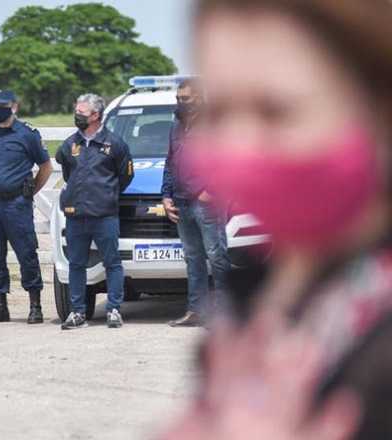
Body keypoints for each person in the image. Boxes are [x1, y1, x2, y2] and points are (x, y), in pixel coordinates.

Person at [160, 0, 392, 438]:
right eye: (220, 111)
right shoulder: (251, 294)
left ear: (379, 108)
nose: (239, 145)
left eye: (276, 111)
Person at [55, 93, 134, 330]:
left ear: (96, 115)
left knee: (112, 262)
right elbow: (68, 173)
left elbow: (125, 176)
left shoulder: (115, 144)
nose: (77, 116)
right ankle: (77, 313)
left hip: (104, 215)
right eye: (76, 111)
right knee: (76, 264)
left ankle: (113, 310)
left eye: (82, 112)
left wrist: (106, 194)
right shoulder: (69, 145)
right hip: (76, 215)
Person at [0, 90, 53, 324]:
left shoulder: (26, 134)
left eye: (4, 105)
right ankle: (1, 306)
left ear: (15, 106)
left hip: (16, 204)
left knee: (26, 254)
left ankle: (35, 305)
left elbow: (46, 167)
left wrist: (29, 192)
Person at [162, 78, 231, 327]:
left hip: (206, 202)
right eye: (178, 99)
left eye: (186, 99)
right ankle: (196, 311)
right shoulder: (176, 125)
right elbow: (170, 161)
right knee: (193, 258)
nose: (181, 103)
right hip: (180, 200)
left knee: (217, 256)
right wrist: (166, 195)